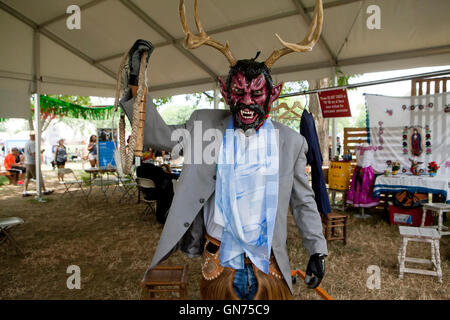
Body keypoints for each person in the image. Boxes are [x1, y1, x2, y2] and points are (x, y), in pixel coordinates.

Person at [120, 2, 327, 300]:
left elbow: (304, 202)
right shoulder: (204, 125)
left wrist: (317, 249)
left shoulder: (291, 142)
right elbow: (158, 135)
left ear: (273, 94)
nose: (246, 101)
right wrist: (136, 85)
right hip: (218, 263)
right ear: (224, 91)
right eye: (238, 91)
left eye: (256, 93)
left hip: (269, 266)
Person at [23, 131, 53, 197]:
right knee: (39, 177)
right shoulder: (33, 143)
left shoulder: (27, 143)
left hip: (28, 162)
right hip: (33, 163)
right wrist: (40, 153)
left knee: (27, 177)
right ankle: (44, 190)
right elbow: (34, 154)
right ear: (33, 136)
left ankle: (24, 191)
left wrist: (39, 152)